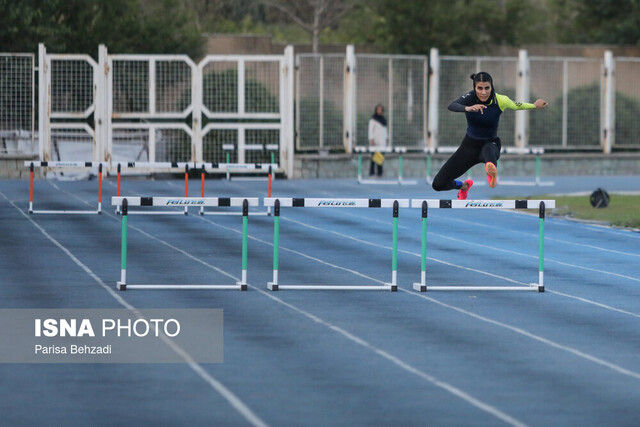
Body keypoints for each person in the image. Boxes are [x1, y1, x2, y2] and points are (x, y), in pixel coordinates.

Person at [432, 72, 548, 199]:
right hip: (468, 148)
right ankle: (463, 186)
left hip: (490, 144)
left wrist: (534, 105)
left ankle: (491, 170)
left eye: (487, 88)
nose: (483, 92)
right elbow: (452, 105)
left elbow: (516, 105)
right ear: (474, 88)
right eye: (479, 88)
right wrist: (468, 108)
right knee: (438, 184)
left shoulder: (500, 100)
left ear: (492, 86)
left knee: (488, 150)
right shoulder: (469, 97)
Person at [368, 104, 388, 177]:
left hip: (382, 142)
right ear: (376, 110)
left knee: (380, 157)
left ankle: (380, 173)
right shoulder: (373, 120)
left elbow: (385, 131)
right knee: (374, 157)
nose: (380, 111)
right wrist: (371, 139)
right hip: (375, 141)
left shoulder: (383, 120)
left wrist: (386, 139)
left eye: (381, 110)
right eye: (378, 110)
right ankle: (372, 173)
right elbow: (370, 130)